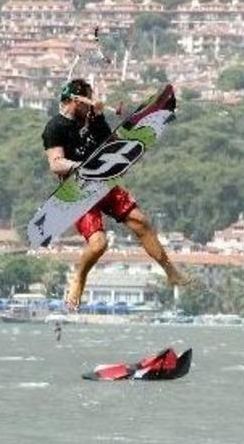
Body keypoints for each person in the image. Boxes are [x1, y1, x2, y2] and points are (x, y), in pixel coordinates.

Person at [41, 78, 189, 310]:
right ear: (74, 101)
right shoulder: (55, 127)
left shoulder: (93, 119)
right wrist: (79, 166)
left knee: (141, 223)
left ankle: (170, 271)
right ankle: (79, 277)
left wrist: (100, 117)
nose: (91, 106)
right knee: (99, 244)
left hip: (103, 183)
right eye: (87, 101)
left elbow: (111, 145)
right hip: (79, 192)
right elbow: (55, 164)